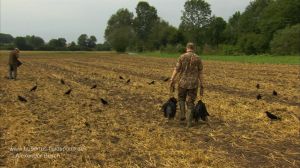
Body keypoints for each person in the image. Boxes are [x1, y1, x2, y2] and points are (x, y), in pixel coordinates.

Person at [170, 43, 204, 127]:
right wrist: (202, 83)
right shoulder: (198, 58)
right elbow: (200, 72)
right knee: (191, 102)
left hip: (182, 82)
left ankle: (182, 114)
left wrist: (172, 79)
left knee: (181, 98)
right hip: (193, 84)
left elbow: (176, 69)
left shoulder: (182, 57)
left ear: (187, 48)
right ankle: (189, 122)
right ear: (194, 48)